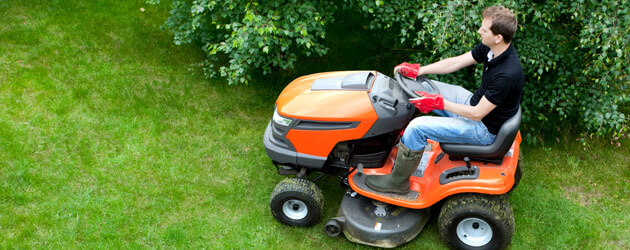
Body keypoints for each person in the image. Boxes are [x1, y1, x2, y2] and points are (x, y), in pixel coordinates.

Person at [366, 6, 524, 194]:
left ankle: (397, 182)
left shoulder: (507, 75)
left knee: (417, 127)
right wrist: (420, 70)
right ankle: (404, 140)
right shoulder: (492, 50)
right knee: (421, 86)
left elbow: (476, 114)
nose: (479, 31)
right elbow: (457, 62)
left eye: (484, 29)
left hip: (483, 128)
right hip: (476, 105)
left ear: (498, 37)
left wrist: (439, 103)